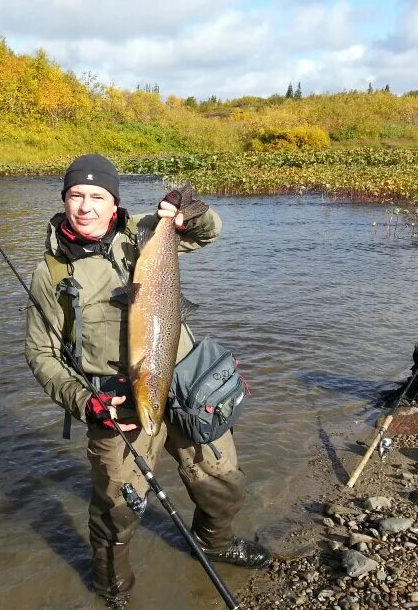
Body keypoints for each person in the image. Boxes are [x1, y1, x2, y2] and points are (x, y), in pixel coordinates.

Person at [25, 154, 270, 607]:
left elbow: (208, 230)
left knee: (222, 479)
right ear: (64, 199)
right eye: (76, 195)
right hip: (115, 406)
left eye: (97, 196)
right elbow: (40, 354)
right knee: (117, 511)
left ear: (112, 201)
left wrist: (185, 211)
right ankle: (114, 589)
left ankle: (213, 543)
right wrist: (84, 401)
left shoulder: (143, 232)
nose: (86, 206)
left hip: (187, 388)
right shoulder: (51, 273)